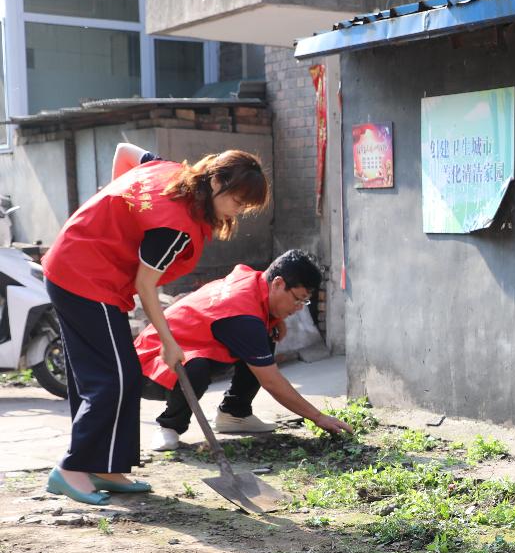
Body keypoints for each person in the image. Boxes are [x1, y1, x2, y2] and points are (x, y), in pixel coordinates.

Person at [42, 143, 270, 505]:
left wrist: (117, 214)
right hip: (84, 276)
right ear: (216, 183)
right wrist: (169, 342)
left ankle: (105, 467)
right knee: (113, 378)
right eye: (238, 202)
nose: (238, 212)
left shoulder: (169, 170)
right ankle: (71, 469)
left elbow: (124, 152)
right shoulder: (173, 228)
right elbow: (146, 286)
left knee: (118, 374)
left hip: (87, 266)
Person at [136, 250, 351, 448]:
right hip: (152, 364)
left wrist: (276, 319)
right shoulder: (242, 314)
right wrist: (318, 417)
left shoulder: (254, 282)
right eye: (297, 300)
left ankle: (234, 413)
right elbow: (271, 381)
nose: (297, 309)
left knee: (265, 335)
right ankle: (169, 426)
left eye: (303, 303)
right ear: (277, 284)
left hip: (193, 348)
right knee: (196, 366)